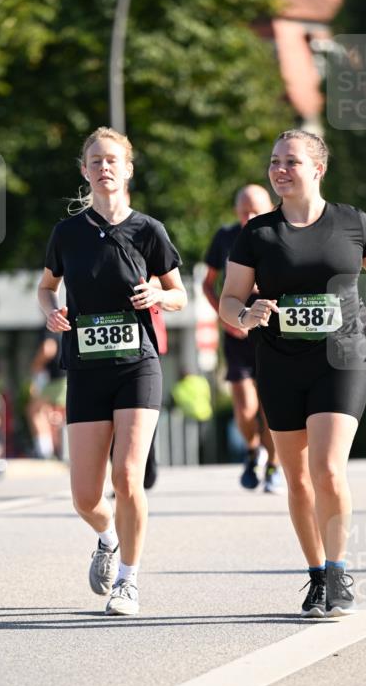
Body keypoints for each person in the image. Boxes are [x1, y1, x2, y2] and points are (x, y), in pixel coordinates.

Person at [220, 130, 366, 618]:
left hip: (341, 358)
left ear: (317, 168)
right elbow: (229, 300)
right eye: (274, 162)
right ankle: (317, 574)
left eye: (291, 161)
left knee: (327, 469)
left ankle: (339, 571)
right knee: (297, 481)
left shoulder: (352, 222)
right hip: (278, 363)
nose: (279, 170)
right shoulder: (256, 232)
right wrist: (244, 316)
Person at [37, 126, 186, 617]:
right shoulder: (67, 233)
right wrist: (50, 311)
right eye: (95, 161)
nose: (104, 168)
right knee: (84, 496)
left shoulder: (149, 231)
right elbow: (45, 287)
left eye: (113, 161)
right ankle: (107, 537)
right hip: (85, 368)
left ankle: (129, 581)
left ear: (127, 170)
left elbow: (180, 293)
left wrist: (160, 296)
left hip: (137, 365)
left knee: (127, 476)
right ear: (85, 170)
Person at [203, 186, 283, 493]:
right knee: (245, 406)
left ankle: (274, 466)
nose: (249, 216)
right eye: (244, 211)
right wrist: (227, 318)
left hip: (271, 332)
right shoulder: (225, 237)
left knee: (271, 407)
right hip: (236, 334)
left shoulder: (279, 232)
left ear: (268, 207)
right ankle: (252, 453)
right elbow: (209, 284)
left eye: (255, 210)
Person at [26, 329, 68, 459]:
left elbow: (48, 349)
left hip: (58, 379)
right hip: (66, 376)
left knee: (35, 411)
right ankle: (57, 450)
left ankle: (45, 451)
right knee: (53, 414)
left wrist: (35, 366)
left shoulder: (50, 324)